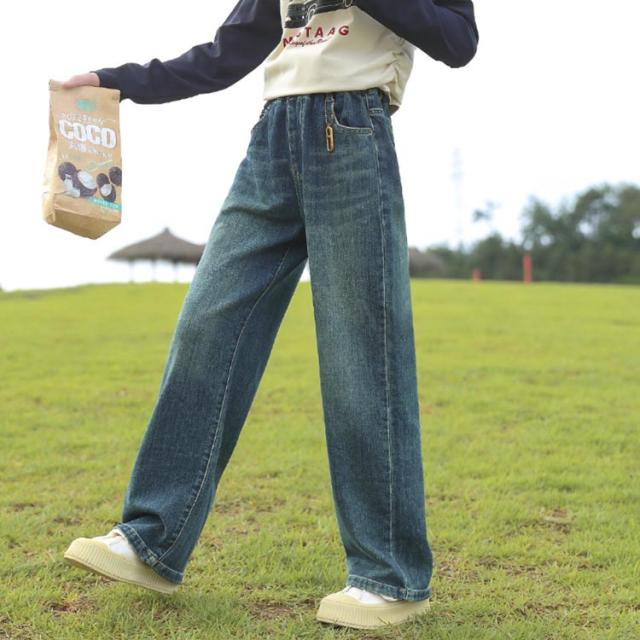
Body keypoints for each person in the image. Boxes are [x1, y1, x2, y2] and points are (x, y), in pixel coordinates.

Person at [61, 0, 478, 630]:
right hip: (271, 138)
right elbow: (226, 54)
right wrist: (116, 81)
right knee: (208, 327)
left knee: (360, 356)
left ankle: (390, 577)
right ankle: (151, 540)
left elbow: (458, 38)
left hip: (352, 128)